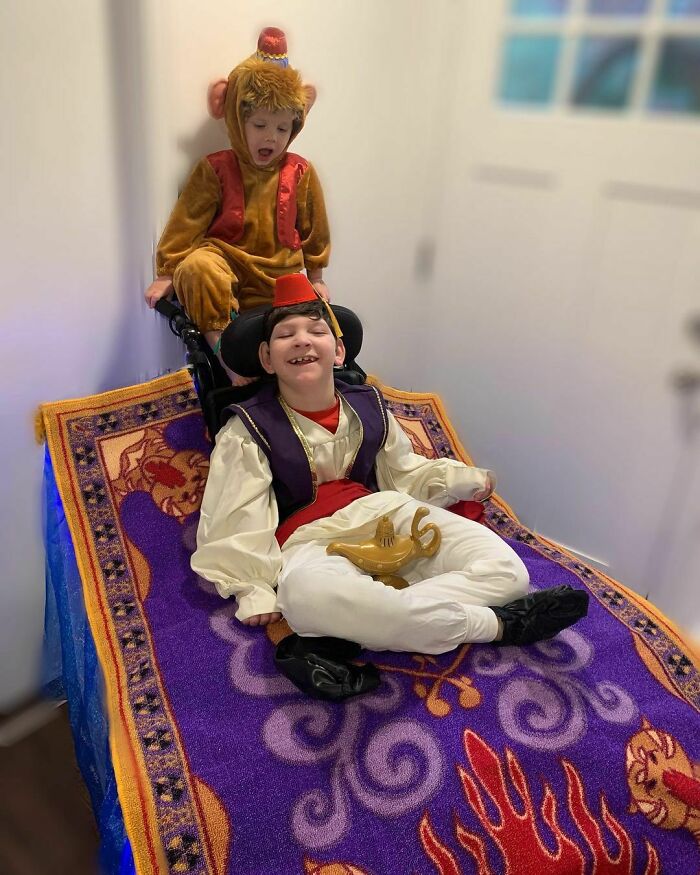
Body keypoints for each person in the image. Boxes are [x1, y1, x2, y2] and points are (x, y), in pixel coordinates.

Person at [191, 273, 588, 698]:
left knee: (507, 575)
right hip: (311, 540)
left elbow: (405, 472)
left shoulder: (369, 406)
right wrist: (252, 588)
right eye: (286, 335)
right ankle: (501, 625)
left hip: (386, 513)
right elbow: (237, 515)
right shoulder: (247, 430)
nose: (302, 340)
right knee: (305, 597)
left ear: (338, 350)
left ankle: (333, 639)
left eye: (316, 331)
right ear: (267, 359)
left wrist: (456, 480)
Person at [144, 27, 330, 383]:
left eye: (282, 129)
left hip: (281, 275)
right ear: (235, 116)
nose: (271, 137)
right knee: (197, 268)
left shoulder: (300, 171)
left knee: (317, 320)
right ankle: (228, 361)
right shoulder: (216, 168)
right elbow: (187, 221)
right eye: (260, 124)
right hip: (226, 265)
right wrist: (167, 273)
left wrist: (317, 276)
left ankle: (304, 376)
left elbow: (314, 228)